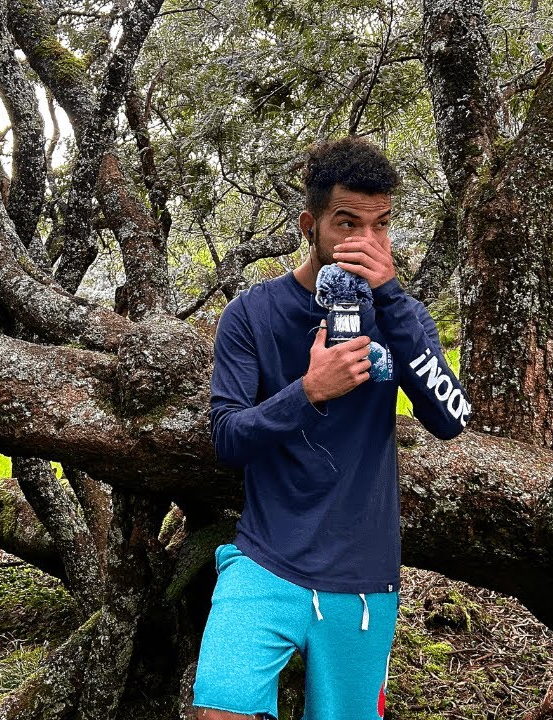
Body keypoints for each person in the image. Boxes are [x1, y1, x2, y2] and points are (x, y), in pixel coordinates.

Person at [193, 137, 470, 720]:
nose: (365, 242)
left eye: (381, 226)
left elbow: (450, 418)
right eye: (347, 223)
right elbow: (226, 436)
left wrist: (390, 299)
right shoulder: (253, 313)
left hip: (362, 578)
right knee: (220, 710)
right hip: (264, 558)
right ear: (309, 224)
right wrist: (308, 392)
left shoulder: (405, 317)